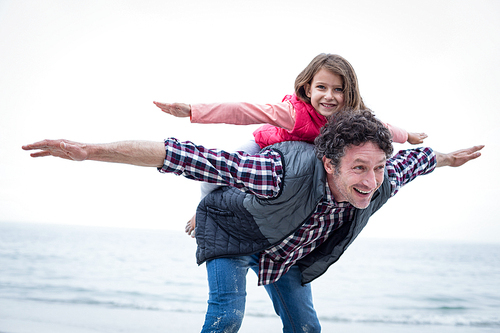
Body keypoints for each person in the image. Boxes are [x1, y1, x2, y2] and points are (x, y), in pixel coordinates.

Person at [22, 110, 482, 332]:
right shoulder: (278, 173)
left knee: (306, 325)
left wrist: (448, 159)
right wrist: (90, 152)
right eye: (359, 168)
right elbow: (186, 156)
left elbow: (419, 160)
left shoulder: (380, 178)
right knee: (228, 315)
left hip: (286, 251)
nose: (371, 180)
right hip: (234, 232)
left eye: (378, 167)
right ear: (329, 164)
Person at [153, 53, 428, 237]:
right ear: (308, 89)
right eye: (322, 87)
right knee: (214, 175)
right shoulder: (293, 113)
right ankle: (202, 212)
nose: (329, 96)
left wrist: (410, 136)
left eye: (338, 89)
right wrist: (192, 110)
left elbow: (384, 129)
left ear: (349, 92)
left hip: (298, 166)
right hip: (262, 146)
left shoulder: (351, 121)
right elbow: (245, 111)